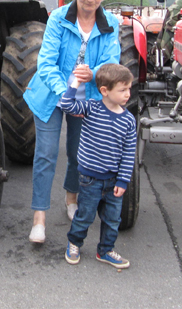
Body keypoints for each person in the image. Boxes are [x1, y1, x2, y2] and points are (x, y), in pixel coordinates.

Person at [23, 0, 121, 244]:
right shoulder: (57, 17)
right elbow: (46, 61)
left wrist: (94, 75)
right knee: (45, 154)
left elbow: (111, 61)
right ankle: (39, 218)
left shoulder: (111, 23)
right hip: (51, 94)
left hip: (87, 96)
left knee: (78, 154)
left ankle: (71, 198)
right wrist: (63, 91)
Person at [61, 63, 136, 268]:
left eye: (128, 88)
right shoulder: (91, 108)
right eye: (122, 90)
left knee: (112, 220)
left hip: (113, 181)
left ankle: (105, 250)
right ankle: (74, 243)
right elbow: (67, 105)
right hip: (90, 179)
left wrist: (123, 179)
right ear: (104, 91)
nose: (127, 94)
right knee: (84, 216)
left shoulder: (128, 121)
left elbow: (129, 153)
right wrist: (76, 82)